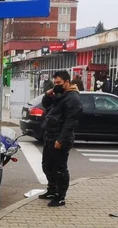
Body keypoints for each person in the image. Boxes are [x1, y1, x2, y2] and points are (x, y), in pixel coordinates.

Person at [39, 70, 82, 207]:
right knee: (47, 165)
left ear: (67, 82)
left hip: (60, 139)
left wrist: (61, 140)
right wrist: (48, 93)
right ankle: (52, 190)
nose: (56, 85)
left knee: (60, 169)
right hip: (50, 136)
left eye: (59, 83)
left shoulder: (72, 98)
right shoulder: (59, 95)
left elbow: (71, 122)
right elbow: (46, 105)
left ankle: (60, 196)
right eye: (55, 83)